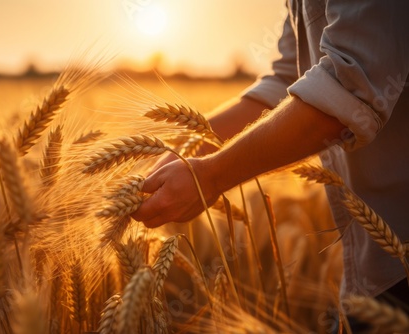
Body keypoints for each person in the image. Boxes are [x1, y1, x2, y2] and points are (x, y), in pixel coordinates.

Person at [132, 0, 409, 329]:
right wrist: (181, 152)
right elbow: (286, 83)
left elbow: (347, 88)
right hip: (376, 268)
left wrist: (209, 176)